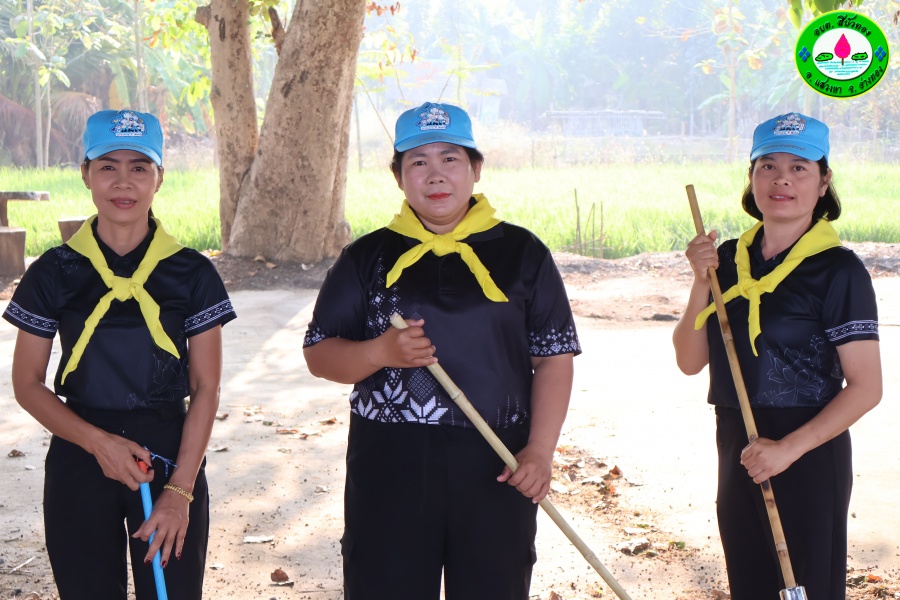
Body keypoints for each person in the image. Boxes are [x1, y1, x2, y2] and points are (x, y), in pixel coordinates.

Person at [303, 101, 580, 600]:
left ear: (476, 168)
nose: (435, 174)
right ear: (398, 176)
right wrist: (380, 352)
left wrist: (540, 450)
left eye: (450, 158)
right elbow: (319, 354)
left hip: (499, 458)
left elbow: (553, 357)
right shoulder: (366, 257)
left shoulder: (524, 254)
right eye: (418, 161)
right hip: (389, 461)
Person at [3, 109, 236, 599]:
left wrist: (180, 491)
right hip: (78, 452)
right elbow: (26, 383)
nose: (123, 181)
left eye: (139, 167)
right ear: (85, 174)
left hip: (170, 456)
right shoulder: (54, 271)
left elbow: (205, 387)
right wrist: (98, 444)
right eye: (107, 166)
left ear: (159, 177)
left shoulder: (192, 272)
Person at [672, 112, 882, 600]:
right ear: (751, 176)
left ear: (824, 181)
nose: (781, 179)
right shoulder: (726, 259)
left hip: (808, 450)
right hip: (737, 443)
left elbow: (867, 388)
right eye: (767, 166)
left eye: (799, 168)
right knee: (750, 584)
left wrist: (787, 449)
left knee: (806, 588)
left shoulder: (839, 271)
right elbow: (689, 360)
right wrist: (701, 282)